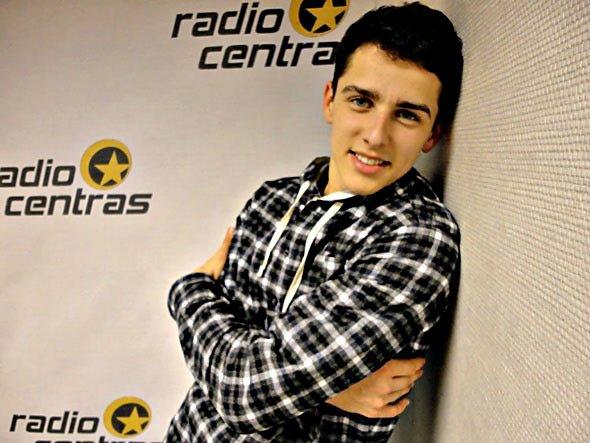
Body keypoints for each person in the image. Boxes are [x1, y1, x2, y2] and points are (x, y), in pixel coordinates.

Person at [166, 2, 463, 442]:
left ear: (433, 134)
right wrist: (330, 389)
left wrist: (188, 291)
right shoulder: (271, 200)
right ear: (330, 101)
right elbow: (235, 369)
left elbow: (240, 392)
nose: (376, 135)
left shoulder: (416, 236)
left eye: (406, 114)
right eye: (361, 101)